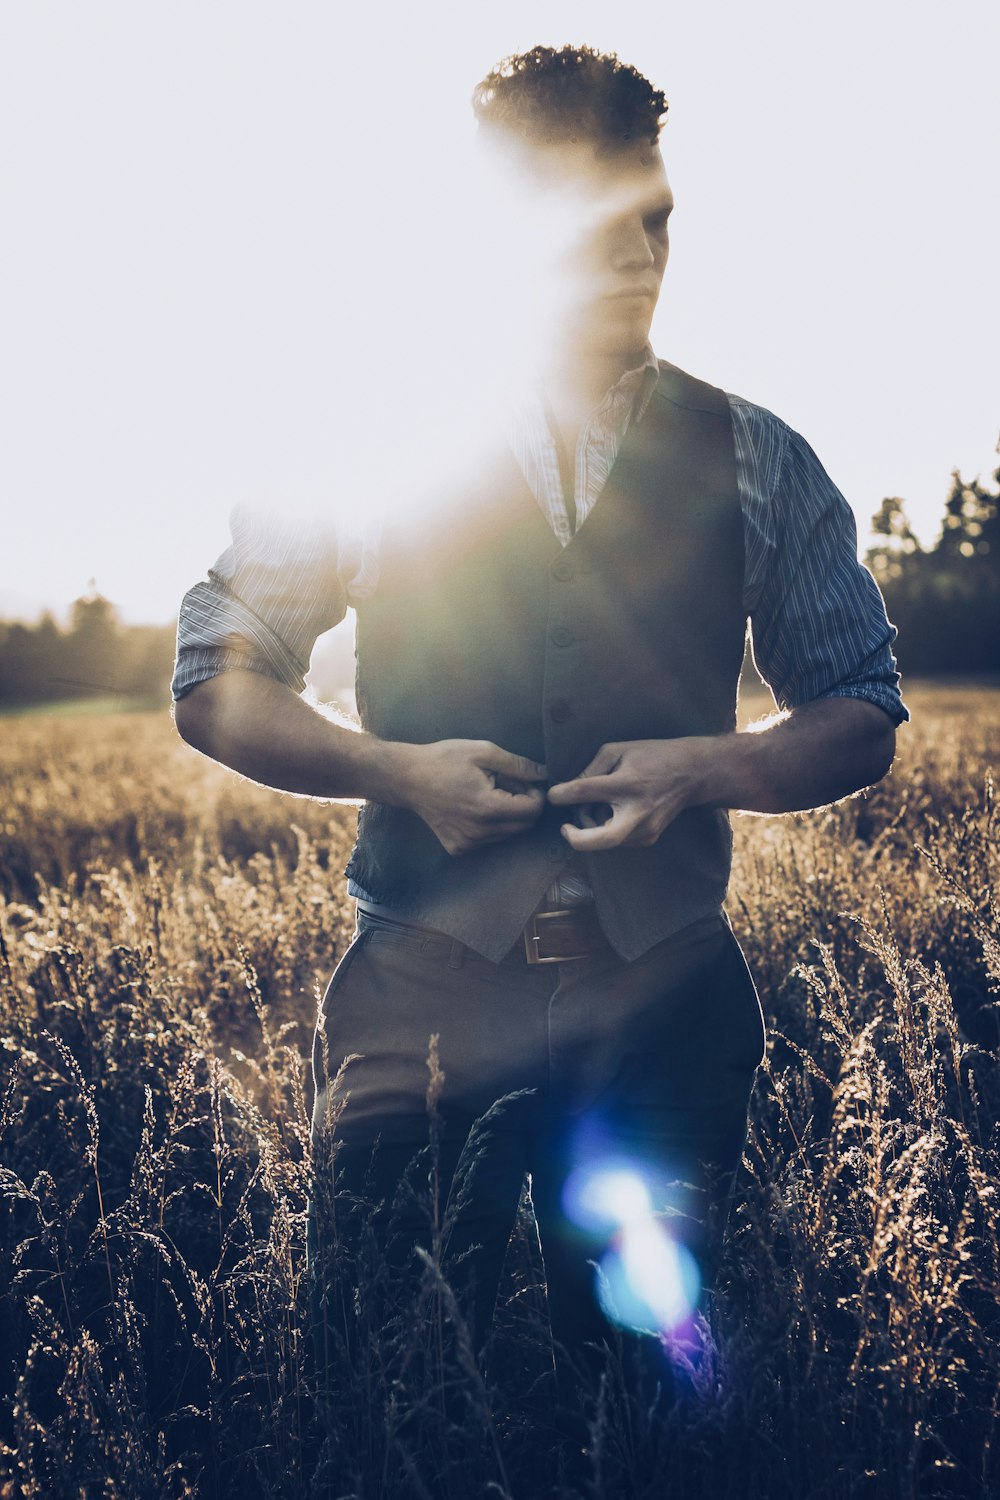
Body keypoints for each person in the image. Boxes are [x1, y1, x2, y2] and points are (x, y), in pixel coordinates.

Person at [172, 44, 906, 1417]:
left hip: (668, 1012)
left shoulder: (756, 452)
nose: (637, 257)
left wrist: (716, 765)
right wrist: (393, 772)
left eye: (656, 221)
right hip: (420, 999)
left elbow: (861, 709)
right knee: (384, 1379)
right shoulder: (373, 442)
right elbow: (215, 678)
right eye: (595, 226)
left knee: (640, 1397)